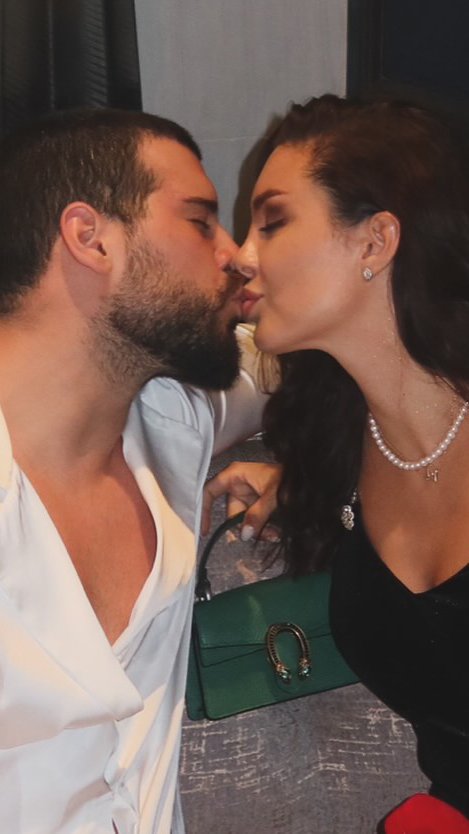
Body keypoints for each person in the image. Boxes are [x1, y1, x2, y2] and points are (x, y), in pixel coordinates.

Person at [203, 94, 469, 830]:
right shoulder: (343, 454)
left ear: (375, 241)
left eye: (272, 222)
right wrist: (307, 487)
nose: (241, 254)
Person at [0, 107, 266, 833]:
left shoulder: (172, 419)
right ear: (90, 238)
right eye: (200, 221)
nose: (237, 254)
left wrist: (324, 465)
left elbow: (290, 356)